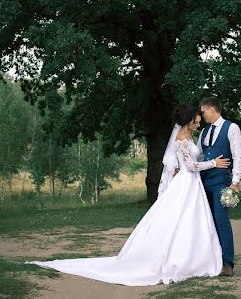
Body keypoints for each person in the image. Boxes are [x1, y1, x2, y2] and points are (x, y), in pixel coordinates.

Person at [27, 104, 230, 286]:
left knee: (191, 222)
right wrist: (214, 163)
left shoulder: (189, 136)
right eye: (197, 118)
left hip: (191, 184)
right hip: (187, 182)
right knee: (183, 221)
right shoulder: (183, 138)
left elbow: (186, 161)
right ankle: (183, 259)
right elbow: (190, 165)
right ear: (189, 120)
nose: (199, 121)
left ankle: (195, 257)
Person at [198, 96, 241, 277]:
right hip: (203, 181)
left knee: (221, 220)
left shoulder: (231, 128)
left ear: (211, 109)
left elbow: (238, 155)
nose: (201, 116)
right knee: (207, 222)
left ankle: (227, 263)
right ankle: (212, 260)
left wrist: (235, 182)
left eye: (203, 112)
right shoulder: (203, 132)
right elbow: (199, 156)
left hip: (221, 181)